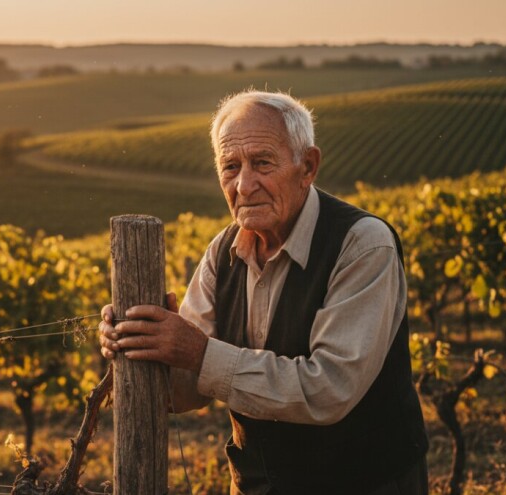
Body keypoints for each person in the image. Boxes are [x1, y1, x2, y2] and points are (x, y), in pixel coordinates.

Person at [98, 90, 429, 495]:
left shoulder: (361, 244)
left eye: (262, 163)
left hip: (363, 483)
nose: (244, 184)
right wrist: (145, 346)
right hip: (256, 484)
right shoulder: (223, 252)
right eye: (230, 166)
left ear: (307, 166)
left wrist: (198, 351)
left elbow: (329, 389)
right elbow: (185, 390)